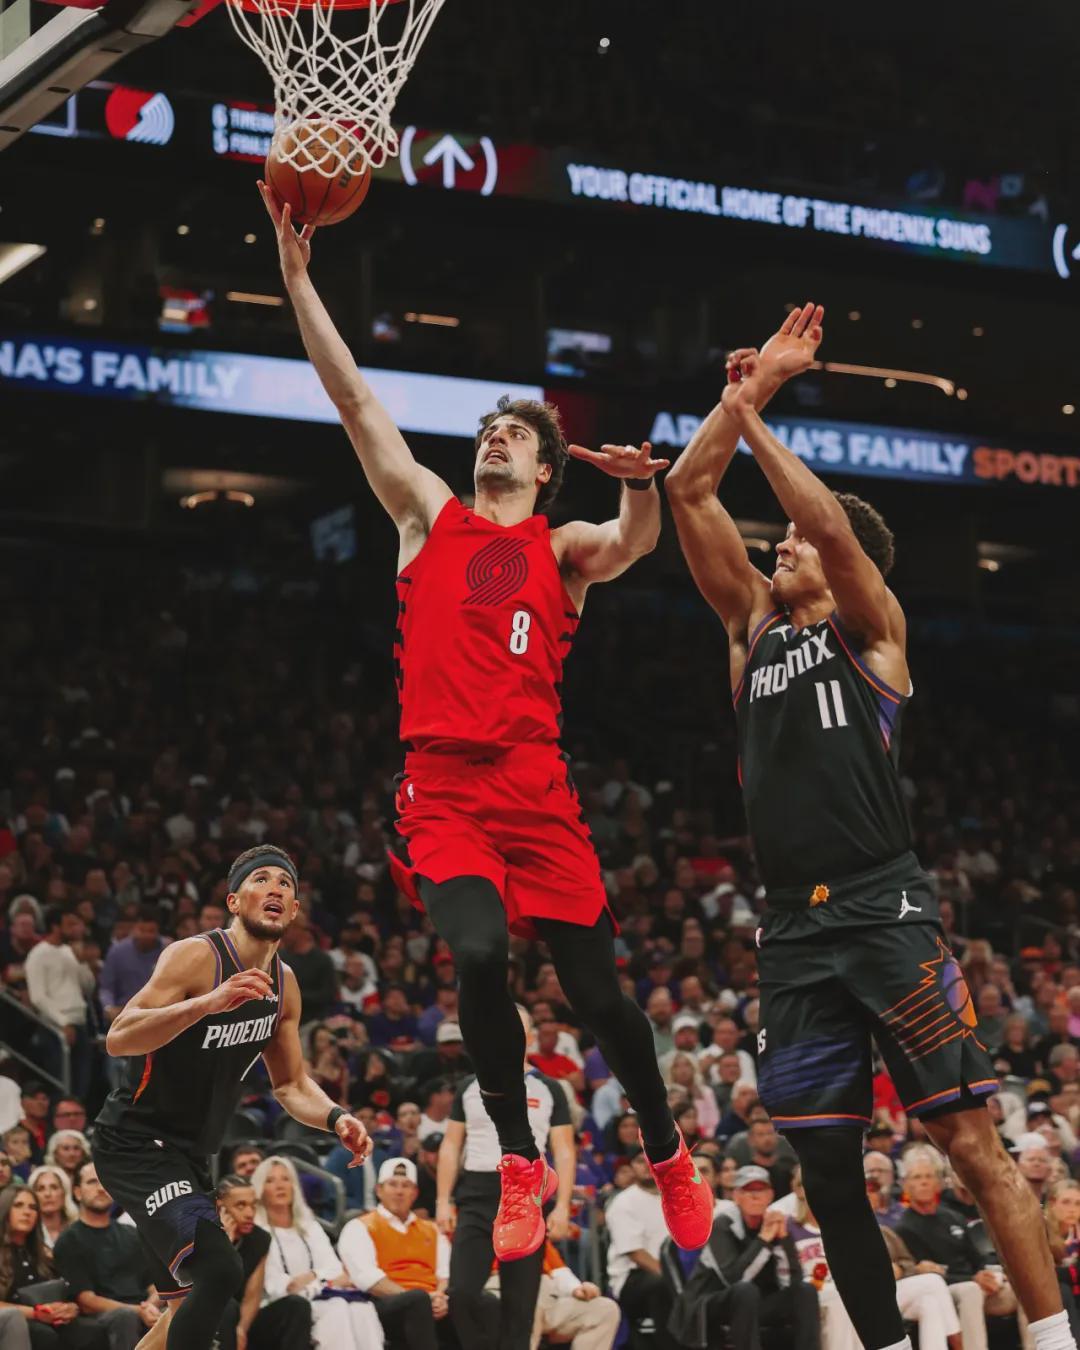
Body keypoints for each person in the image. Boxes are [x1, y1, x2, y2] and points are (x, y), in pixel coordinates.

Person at [260, 183, 712, 1262]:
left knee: (600, 998)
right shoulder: (429, 516)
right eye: (492, 430)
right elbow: (353, 397)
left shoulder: (560, 548)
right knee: (473, 955)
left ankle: (667, 1152)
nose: (497, 438)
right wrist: (297, 280)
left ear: (545, 469)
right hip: (447, 789)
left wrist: (641, 488)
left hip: (535, 787)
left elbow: (637, 544)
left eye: (516, 435)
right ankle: (516, 1159)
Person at [667, 299, 1074, 1350]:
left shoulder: (872, 631)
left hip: (883, 908)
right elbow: (687, 491)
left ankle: (1051, 1339)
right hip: (792, 932)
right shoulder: (751, 630)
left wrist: (757, 416)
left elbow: (837, 530)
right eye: (785, 537)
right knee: (827, 1171)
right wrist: (744, 394)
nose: (784, 543)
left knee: (971, 1143)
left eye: (798, 537)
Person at [92, 846, 371, 1350]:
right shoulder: (196, 956)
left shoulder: (284, 984)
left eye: (285, 883)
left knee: (183, 1311)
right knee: (220, 1270)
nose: (274, 888)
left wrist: (335, 1117)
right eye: (260, 879)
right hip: (135, 1142)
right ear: (234, 901)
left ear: (295, 910)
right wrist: (208, 1003)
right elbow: (120, 1037)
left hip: (191, 1155)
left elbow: (290, 1085)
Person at [436, 1005, 575, 1350]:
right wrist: (442, 1200)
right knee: (461, 1293)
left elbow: (564, 1150)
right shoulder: (469, 1086)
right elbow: (451, 1145)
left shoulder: (550, 1088)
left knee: (520, 1306)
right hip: (476, 1194)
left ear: (529, 1037)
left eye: (516, 1028)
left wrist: (562, 1206)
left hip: (528, 1197)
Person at [665, 1164, 818, 1350]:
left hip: (755, 1302)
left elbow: (792, 1280)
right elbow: (733, 1279)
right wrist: (763, 1240)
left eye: (761, 1190)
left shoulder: (775, 1222)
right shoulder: (721, 1226)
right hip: (712, 1302)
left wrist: (783, 1240)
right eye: (748, 1190)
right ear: (736, 1196)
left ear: (770, 1195)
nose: (755, 1196)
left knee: (805, 1291)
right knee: (745, 1291)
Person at [252, 1154, 380, 1350]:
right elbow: (279, 1286)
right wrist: (321, 1279)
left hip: (318, 1296)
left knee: (361, 1308)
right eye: (270, 1180)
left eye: (285, 1179)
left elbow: (336, 1271)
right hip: (278, 1308)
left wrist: (311, 1276)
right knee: (336, 1307)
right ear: (260, 1190)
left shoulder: (310, 1225)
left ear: (294, 1185)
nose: (280, 1186)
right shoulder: (259, 1232)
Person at [897, 1149, 1020, 1350]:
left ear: (939, 1183)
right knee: (971, 1291)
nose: (924, 1182)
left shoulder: (953, 1217)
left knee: (1020, 1289)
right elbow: (926, 1276)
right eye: (917, 1177)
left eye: (929, 1176)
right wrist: (972, 1279)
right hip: (947, 1289)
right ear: (906, 1186)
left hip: (978, 1283)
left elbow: (976, 1257)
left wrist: (987, 1274)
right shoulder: (904, 1227)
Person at [338, 1157, 449, 1350]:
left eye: (406, 1185)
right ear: (379, 1190)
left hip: (430, 1299)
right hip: (384, 1303)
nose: (399, 1191)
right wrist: (422, 1298)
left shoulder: (432, 1230)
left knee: (481, 1302)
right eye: (392, 1184)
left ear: (415, 1193)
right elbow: (369, 1280)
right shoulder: (359, 1227)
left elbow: (445, 1274)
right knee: (417, 1300)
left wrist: (440, 1297)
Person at [52, 1161, 160, 1350]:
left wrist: (151, 1306)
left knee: (183, 1307)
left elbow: (154, 1284)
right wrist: (139, 1311)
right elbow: (87, 1301)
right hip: (101, 1317)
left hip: (142, 1308)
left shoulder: (131, 1233)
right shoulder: (69, 1240)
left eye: (105, 1181)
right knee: (125, 1317)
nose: (101, 1188)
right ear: (77, 1192)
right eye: (92, 1182)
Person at [215, 1173, 313, 1350]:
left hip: (240, 1321)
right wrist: (223, 1246)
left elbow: (252, 1296)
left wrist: (241, 1329)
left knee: (297, 1306)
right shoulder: (201, 1235)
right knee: (228, 1308)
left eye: (253, 1205)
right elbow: (204, 1292)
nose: (249, 1213)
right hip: (206, 1321)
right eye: (241, 1206)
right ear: (220, 1208)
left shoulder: (260, 1238)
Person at [0, 1186, 105, 1350]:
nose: (27, 1212)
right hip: (17, 1323)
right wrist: (36, 1313)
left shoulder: (44, 1255)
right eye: (18, 1205)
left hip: (51, 1318)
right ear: (5, 1210)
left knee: (91, 1331)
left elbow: (66, 1294)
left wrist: (71, 1308)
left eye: (33, 1207)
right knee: (43, 1335)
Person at [24, 912, 95, 1102]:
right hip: (55, 1026)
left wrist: (82, 962)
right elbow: (38, 997)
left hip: (80, 1021)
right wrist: (62, 1023)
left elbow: (88, 988)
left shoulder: (69, 952)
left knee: (82, 1083)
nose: (76, 929)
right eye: (70, 924)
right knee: (61, 1083)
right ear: (55, 927)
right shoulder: (38, 954)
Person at [606, 1150, 673, 1347]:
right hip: (633, 1279)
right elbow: (636, 1253)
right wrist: (675, 1279)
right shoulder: (623, 1202)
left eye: (651, 1160)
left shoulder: (673, 1197)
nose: (646, 1165)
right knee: (662, 1284)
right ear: (632, 1167)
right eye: (639, 1161)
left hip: (670, 1273)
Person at [26, 1171, 74, 1252]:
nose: (47, 1194)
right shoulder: (27, 1234)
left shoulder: (77, 1231)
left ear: (64, 1194)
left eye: (54, 1188)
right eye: (41, 1189)